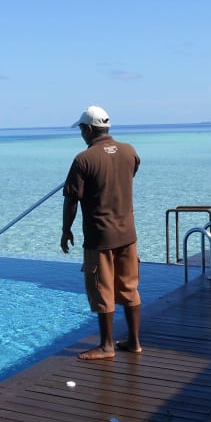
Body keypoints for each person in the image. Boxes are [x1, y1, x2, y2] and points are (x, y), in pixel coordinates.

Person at [60, 105, 142, 360]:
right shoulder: (130, 151)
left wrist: (66, 230)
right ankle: (134, 342)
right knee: (129, 287)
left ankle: (106, 346)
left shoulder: (83, 159)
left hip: (100, 237)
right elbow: (130, 173)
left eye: (81, 130)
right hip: (128, 235)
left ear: (88, 129)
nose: (81, 134)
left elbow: (71, 200)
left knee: (102, 289)